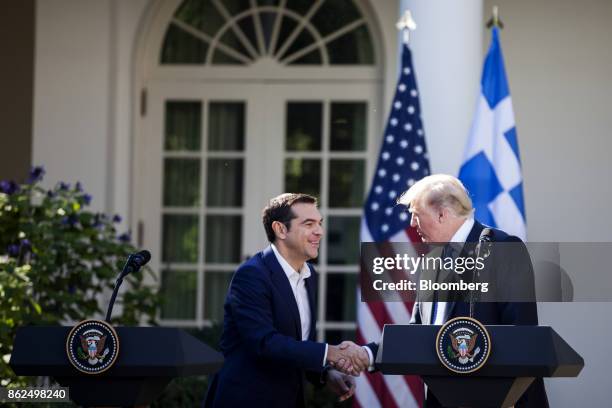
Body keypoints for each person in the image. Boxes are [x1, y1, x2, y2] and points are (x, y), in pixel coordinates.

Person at [362, 174, 549, 408]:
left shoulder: (501, 248)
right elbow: (416, 335)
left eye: (416, 215)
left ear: (442, 214)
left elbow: (521, 333)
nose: (411, 224)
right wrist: (367, 355)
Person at [203, 193, 369, 408]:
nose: (319, 231)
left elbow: (297, 343)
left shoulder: (310, 274)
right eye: (308, 224)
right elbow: (265, 343)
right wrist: (331, 353)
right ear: (280, 229)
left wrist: (325, 373)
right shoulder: (252, 275)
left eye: (319, 223)